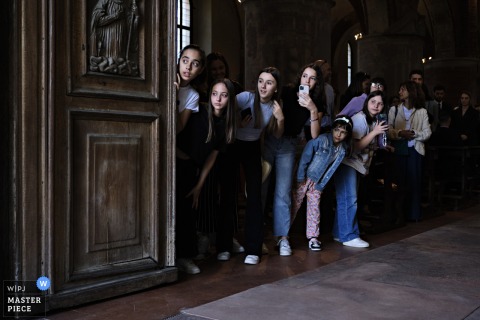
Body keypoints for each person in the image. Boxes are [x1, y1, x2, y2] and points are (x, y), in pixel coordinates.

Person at [262, 63, 325, 257]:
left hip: (288, 145)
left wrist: (313, 110)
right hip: (269, 139)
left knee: (283, 192)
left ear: (317, 83)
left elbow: (314, 135)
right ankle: (259, 236)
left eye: (312, 78)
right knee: (262, 189)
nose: (307, 80)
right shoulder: (288, 91)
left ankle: (283, 238)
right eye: (305, 76)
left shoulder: (316, 103)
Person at [235, 67, 284, 265]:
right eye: (261, 81)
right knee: (229, 191)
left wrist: (280, 118)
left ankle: (253, 249)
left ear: (276, 88)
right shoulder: (246, 97)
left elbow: (278, 135)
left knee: (255, 196)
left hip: (253, 147)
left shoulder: (275, 106)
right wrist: (236, 121)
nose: (263, 86)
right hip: (232, 143)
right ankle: (224, 244)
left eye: (269, 82)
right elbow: (220, 109)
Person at [333, 90, 389, 248]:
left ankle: (339, 233)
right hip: (347, 163)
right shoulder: (359, 119)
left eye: (380, 104)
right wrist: (375, 133)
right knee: (350, 200)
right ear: (366, 103)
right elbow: (356, 146)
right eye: (373, 102)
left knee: (346, 199)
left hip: (356, 165)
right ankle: (349, 236)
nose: (376, 106)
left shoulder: (373, 120)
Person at [291, 115, 353, 251]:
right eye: (337, 130)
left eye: (343, 132)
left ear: (347, 134)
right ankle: (283, 234)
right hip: (305, 177)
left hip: (318, 182)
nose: (339, 134)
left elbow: (331, 169)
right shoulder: (321, 140)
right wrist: (300, 177)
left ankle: (313, 237)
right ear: (332, 129)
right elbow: (305, 157)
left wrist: (321, 185)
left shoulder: (342, 150)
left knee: (314, 208)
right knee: (294, 204)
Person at [174, 44, 207, 274]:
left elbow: (177, 127)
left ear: (200, 69)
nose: (189, 67)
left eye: (195, 63)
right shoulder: (159, 78)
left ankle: (184, 256)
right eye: (185, 60)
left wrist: (174, 95)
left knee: (183, 207)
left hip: (178, 156)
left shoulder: (192, 95)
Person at [388, 81, 432, 223]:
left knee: (414, 183)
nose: (399, 92)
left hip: (415, 150)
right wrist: (400, 133)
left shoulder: (422, 111)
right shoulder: (394, 110)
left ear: (411, 92)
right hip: (399, 150)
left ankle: (413, 214)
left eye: (403, 89)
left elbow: (427, 133)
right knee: (400, 183)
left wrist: (413, 133)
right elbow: (388, 131)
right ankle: (399, 215)